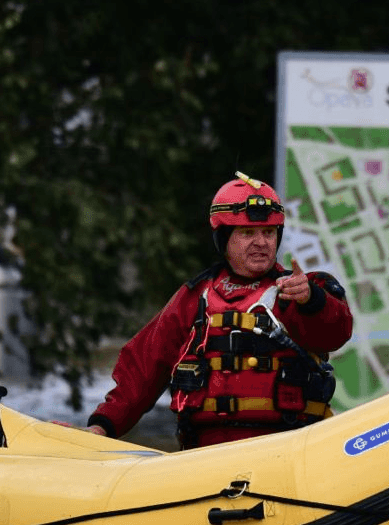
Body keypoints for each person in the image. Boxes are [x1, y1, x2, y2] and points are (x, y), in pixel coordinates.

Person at [84, 172, 353, 449]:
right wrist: (103, 425)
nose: (261, 242)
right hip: (206, 454)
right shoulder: (193, 297)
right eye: (248, 233)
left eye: (269, 233)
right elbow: (143, 366)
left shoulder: (300, 289)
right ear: (224, 239)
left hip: (285, 447)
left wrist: (311, 299)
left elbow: (336, 331)